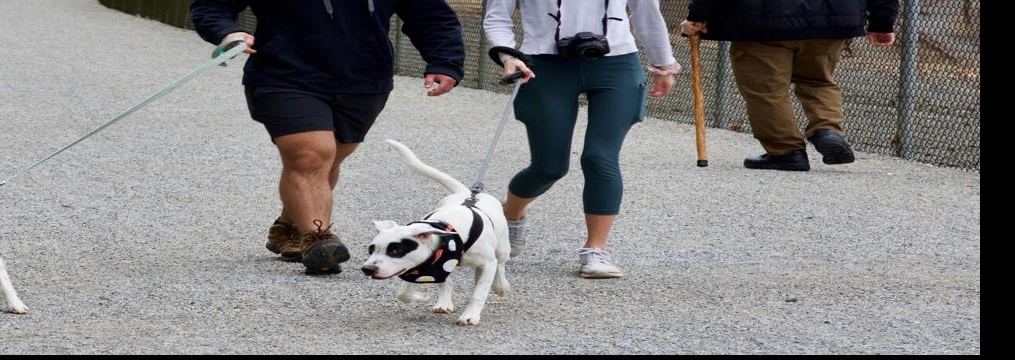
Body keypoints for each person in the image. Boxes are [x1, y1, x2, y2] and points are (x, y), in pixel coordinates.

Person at [190, 1, 466, 274]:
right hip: (284, 74)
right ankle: (317, 239)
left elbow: (430, 14)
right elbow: (211, 5)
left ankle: (289, 226)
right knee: (310, 155)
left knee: (330, 158)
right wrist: (228, 32)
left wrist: (444, 60)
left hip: (365, 80)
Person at [484, 0, 680, 279]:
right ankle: (511, 215)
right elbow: (496, 17)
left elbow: (646, 12)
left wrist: (663, 65)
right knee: (549, 166)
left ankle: (595, 250)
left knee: (600, 157)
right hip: (544, 65)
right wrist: (508, 56)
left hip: (616, 64)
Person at [681, 1, 898, 171]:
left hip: (761, 21)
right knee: (818, 79)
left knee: (765, 89)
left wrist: (698, 16)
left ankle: (786, 151)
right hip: (832, 19)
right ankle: (827, 129)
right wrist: (882, 22)